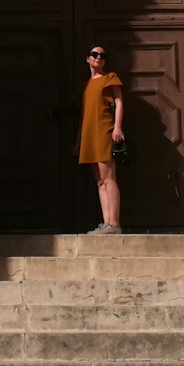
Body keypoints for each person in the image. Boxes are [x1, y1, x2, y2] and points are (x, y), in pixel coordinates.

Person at [76, 45, 124, 234]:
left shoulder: (109, 78)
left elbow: (119, 102)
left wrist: (117, 127)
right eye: (94, 55)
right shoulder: (86, 85)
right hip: (89, 134)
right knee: (99, 181)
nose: (98, 58)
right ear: (87, 59)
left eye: (102, 55)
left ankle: (114, 223)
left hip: (104, 130)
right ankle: (106, 223)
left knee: (109, 177)